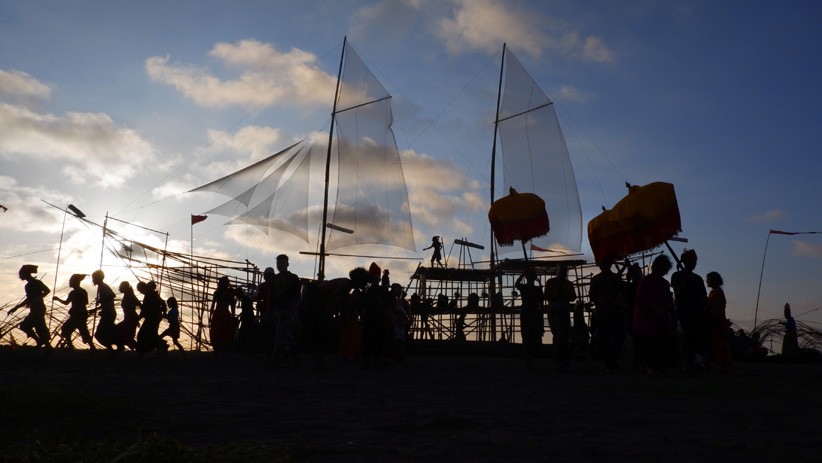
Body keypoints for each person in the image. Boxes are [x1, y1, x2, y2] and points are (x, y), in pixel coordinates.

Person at [633, 254, 675, 376]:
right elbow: (640, 298)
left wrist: (668, 306)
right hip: (644, 317)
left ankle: (658, 366)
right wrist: (653, 307)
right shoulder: (645, 280)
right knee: (647, 344)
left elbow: (668, 299)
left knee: (658, 344)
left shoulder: (665, 283)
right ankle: (647, 366)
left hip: (659, 318)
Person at [671, 249, 708, 373]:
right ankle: (686, 363)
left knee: (695, 339)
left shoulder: (698, 279)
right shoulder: (677, 276)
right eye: (692, 261)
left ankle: (693, 363)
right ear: (686, 262)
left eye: (695, 262)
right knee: (685, 338)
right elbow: (678, 293)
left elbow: (703, 297)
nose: (694, 264)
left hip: (697, 312)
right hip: (683, 311)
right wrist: (685, 280)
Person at [589, 259, 626, 372]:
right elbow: (592, 296)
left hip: (614, 311)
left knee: (619, 337)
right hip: (603, 312)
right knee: (605, 339)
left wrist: (618, 301)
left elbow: (622, 293)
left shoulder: (614, 278)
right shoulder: (596, 279)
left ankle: (611, 361)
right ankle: (609, 363)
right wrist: (601, 301)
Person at [269, 254, 301, 366]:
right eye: (278, 263)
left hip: (288, 311)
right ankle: (295, 360)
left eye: (281, 263)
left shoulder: (293, 278)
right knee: (287, 336)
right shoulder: (274, 279)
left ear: (287, 264)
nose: (279, 265)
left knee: (280, 335)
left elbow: (296, 296)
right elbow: (271, 296)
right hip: (277, 311)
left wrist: (290, 310)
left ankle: (273, 361)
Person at [9, 264, 51, 348]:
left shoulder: (36, 283)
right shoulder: (28, 286)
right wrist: (16, 308)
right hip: (35, 308)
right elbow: (28, 299)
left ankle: (40, 342)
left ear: (26, 273)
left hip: (39, 308)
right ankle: (47, 346)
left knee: (27, 326)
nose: (20, 276)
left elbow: (47, 290)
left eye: (21, 274)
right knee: (39, 326)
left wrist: (38, 298)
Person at [544, 265, 576, 371]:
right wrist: (558, 294)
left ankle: (558, 357)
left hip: (562, 308)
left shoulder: (568, 284)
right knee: (559, 334)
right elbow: (547, 296)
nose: (563, 273)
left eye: (564, 271)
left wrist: (563, 294)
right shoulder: (551, 282)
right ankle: (559, 358)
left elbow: (573, 297)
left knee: (563, 334)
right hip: (555, 308)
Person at [53, 273, 95, 350]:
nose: (69, 282)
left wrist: (57, 299)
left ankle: (71, 346)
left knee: (66, 329)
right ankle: (92, 347)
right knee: (83, 331)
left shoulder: (73, 293)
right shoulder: (83, 291)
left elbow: (66, 303)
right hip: (82, 314)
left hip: (76, 315)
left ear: (75, 282)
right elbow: (85, 303)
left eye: (71, 281)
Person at [515, 267, 544, 370]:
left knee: (530, 336)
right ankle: (529, 359)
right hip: (530, 313)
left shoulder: (532, 288)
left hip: (530, 313)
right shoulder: (531, 288)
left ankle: (529, 359)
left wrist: (523, 274)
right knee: (529, 336)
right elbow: (541, 302)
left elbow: (541, 302)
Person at [705, 271, 732, 372]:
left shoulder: (717, 293)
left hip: (717, 323)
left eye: (708, 279)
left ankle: (723, 366)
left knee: (718, 344)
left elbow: (716, 309)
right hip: (715, 322)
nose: (706, 281)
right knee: (714, 345)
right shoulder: (714, 292)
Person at [136, 280, 166, 353]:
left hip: (153, 318)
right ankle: (161, 345)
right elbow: (162, 302)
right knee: (151, 334)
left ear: (143, 288)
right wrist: (163, 312)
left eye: (140, 290)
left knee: (143, 335)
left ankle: (161, 345)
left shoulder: (150, 295)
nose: (140, 292)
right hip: (154, 317)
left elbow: (145, 309)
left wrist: (138, 318)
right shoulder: (151, 294)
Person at [91, 270, 118, 351]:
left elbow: (112, 295)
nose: (93, 280)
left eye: (94, 278)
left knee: (99, 334)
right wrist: (95, 309)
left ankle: (113, 350)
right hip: (108, 313)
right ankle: (116, 347)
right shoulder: (100, 287)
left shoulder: (104, 286)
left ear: (98, 278)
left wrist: (101, 300)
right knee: (107, 333)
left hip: (108, 314)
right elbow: (106, 303)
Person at [209, 276, 236, 353]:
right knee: (221, 332)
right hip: (220, 314)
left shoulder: (226, 293)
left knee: (220, 332)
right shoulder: (221, 293)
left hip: (221, 314)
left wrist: (211, 316)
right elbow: (232, 306)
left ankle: (220, 349)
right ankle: (220, 349)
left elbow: (232, 305)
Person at [115, 281, 140, 350]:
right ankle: (136, 349)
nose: (120, 288)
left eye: (121, 287)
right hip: (129, 319)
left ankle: (138, 350)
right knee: (127, 336)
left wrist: (137, 318)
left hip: (130, 319)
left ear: (125, 287)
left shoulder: (129, 296)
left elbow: (139, 306)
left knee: (126, 336)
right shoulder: (129, 295)